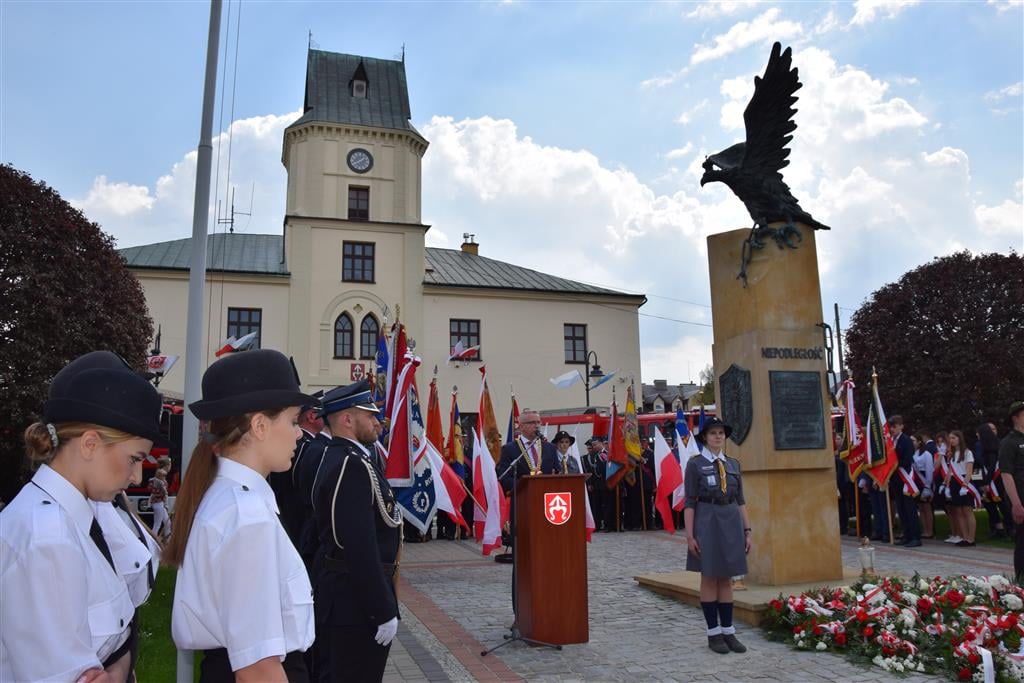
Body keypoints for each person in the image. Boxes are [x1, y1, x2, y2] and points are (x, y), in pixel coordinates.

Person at [1, 350, 161, 682]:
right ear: (89, 444)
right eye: (134, 458)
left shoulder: (73, 519)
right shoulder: (49, 538)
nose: (136, 477)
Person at [167, 349, 315, 682]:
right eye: (293, 421)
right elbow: (258, 668)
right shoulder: (246, 514)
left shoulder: (230, 498)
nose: (299, 432)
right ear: (260, 425)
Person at [311, 380, 402, 683]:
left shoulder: (349, 458)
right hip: (355, 604)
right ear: (347, 420)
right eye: (370, 415)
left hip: (349, 597)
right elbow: (358, 546)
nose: (377, 422)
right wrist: (382, 608)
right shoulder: (351, 465)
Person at [683, 417, 751, 655]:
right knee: (710, 576)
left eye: (721, 433)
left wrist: (747, 530)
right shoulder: (695, 464)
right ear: (705, 437)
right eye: (713, 433)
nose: (718, 437)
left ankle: (729, 631)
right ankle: (714, 633)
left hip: (731, 521)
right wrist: (690, 535)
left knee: (727, 577)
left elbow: (740, 500)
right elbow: (690, 502)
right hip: (707, 520)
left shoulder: (733, 464)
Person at [271, 390, 324, 550]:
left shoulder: (311, 445)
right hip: (296, 519)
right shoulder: (307, 447)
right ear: (311, 416)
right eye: (292, 422)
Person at [998, 401, 1024, 582]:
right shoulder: (1009, 442)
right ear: (1016, 417)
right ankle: (1022, 581)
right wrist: (1016, 504)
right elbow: (1006, 474)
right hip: (1021, 496)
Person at [889, 416, 921, 547]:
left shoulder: (905, 440)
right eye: (891, 427)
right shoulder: (891, 441)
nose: (892, 429)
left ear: (901, 426)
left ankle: (915, 537)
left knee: (909, 509)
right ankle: (907, 535)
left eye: (895, 426)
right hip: (896, 478)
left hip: (905, 477)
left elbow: (907, 459)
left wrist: (894, 464)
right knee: (901, 509)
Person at [944, 430, 977, 547]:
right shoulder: (951, 454)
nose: (951, 440)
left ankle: (971, 538)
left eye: (953, 438)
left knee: (967, 511)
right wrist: (947, 486)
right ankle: (964, 537)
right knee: (958, 511)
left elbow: (969, 471)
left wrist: (965, 486)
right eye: (950, 438)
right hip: (954, 483)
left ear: (959, 439)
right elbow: (949, 472)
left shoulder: (967, 453)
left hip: (964, 482)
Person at [976, 423, 1006, 538]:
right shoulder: (980, 445)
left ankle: (1009, 527)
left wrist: (987, 482)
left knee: (1002, 504)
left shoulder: (997, 445)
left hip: (995, 479)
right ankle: (998, 528)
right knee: (990, 505)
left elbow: (992, 464)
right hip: (986, 479)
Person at [912, 433, 936, 539]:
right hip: (916, 481)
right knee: (921, 508)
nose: (912, 443)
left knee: (927, 507)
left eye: (913, 441)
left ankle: (930, 531)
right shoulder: (913, 453)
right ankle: (924, 529)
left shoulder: (926, 454)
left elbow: (930, 469)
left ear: (919, 442)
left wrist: (928, 486)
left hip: (924, 480)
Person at [149, 467, 171, 541]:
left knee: (167, 523)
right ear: (160, 476)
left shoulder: (153, 481)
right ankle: (152, 540)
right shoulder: (160, 483)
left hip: (158, 504)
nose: (165, 477)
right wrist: (166, 504)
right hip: (159, 504)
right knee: (157, 524)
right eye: (164, 476)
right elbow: (164, 493)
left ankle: (168, 540)